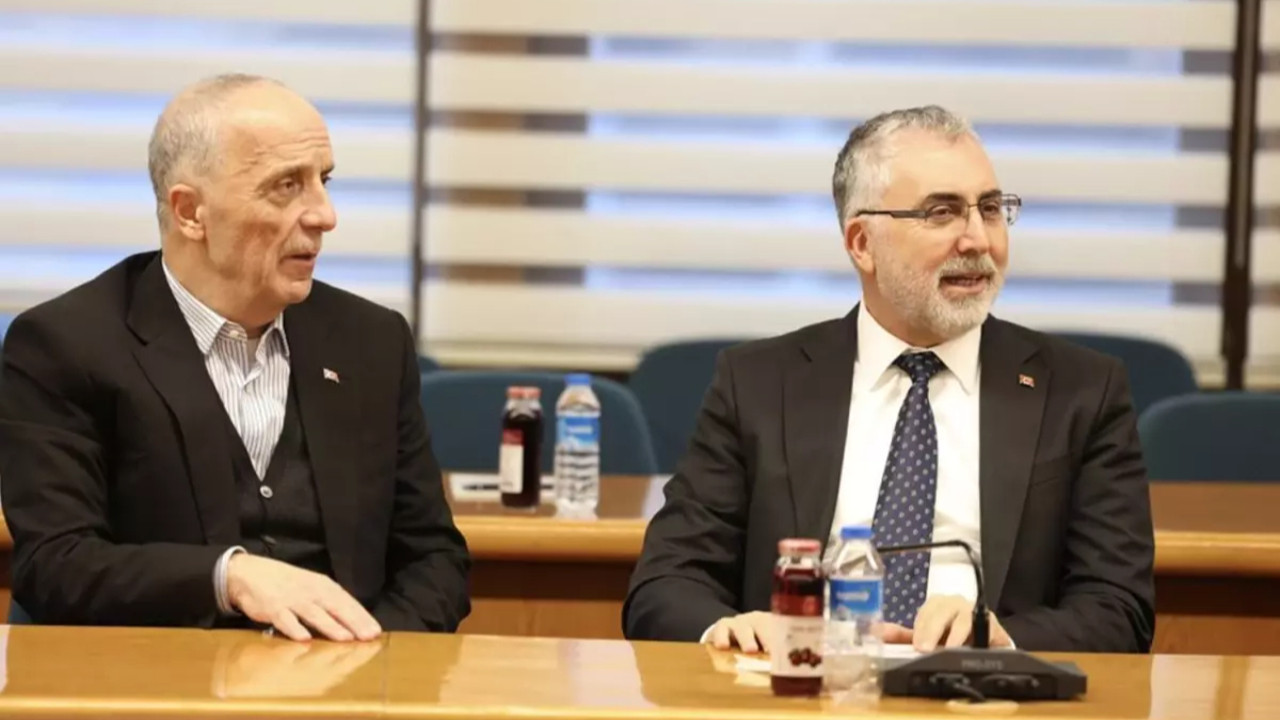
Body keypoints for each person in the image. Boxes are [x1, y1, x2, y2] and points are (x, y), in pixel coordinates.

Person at [623, 106, 1155, 653]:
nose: (978, 240)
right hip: (804, 684)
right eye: (942, 213)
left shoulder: (1081, 392)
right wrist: (728, 630)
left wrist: (1002, 638)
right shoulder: (758, 384)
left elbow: (1119, 609)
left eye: (991, 209)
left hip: (984, 691)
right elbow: (666, 583)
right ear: (862, 243)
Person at [0, 74, 470, 640]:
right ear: (190, 212)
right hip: (160, 676)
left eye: (323, 181)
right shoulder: (66, 345)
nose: (325, 215)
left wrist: (364, 655)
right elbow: (55, 564)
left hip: (349, 676)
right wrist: (229, 577)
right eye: (286, 186)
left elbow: (433, 559)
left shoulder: (371, 342)